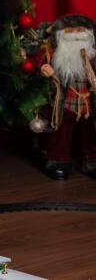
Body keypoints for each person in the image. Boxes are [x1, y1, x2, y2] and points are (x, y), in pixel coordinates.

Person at [36, 14, 96, 180]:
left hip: (89, 102)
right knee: (60, 133)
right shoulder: (54, 55)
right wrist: (43, 69)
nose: (75, 34)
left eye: (80, 30)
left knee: (91, 132)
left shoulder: (92, 56)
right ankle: (58, 161)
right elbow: (40, 64)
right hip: (63, 102)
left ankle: (92, 161)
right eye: (70, 31)